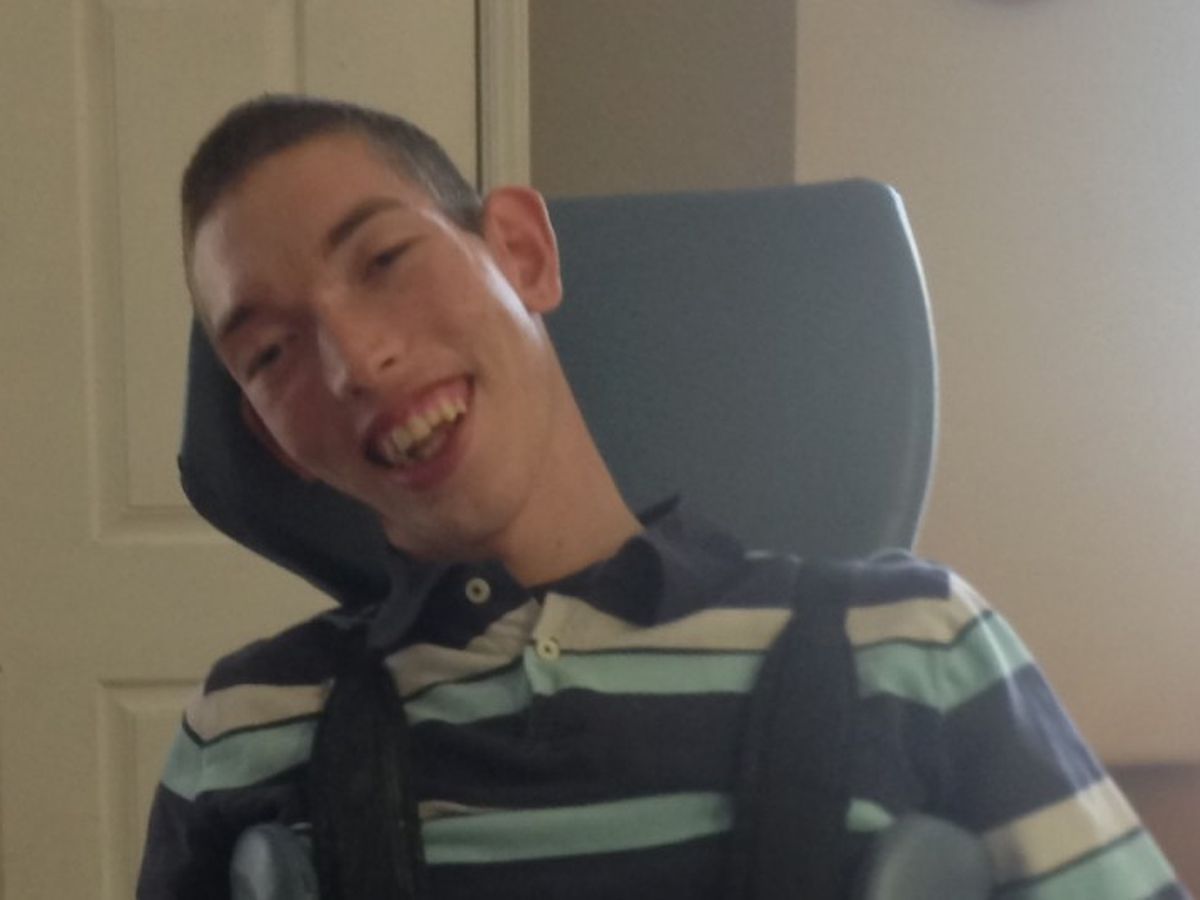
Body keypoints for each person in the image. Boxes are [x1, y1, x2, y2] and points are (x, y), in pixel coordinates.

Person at [138, 94, 1187, 899]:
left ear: (522, 253)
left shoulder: (917, 644)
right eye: (270, 353)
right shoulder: (247, 729)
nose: (356, 362)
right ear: (269, 438)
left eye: (383, 258)